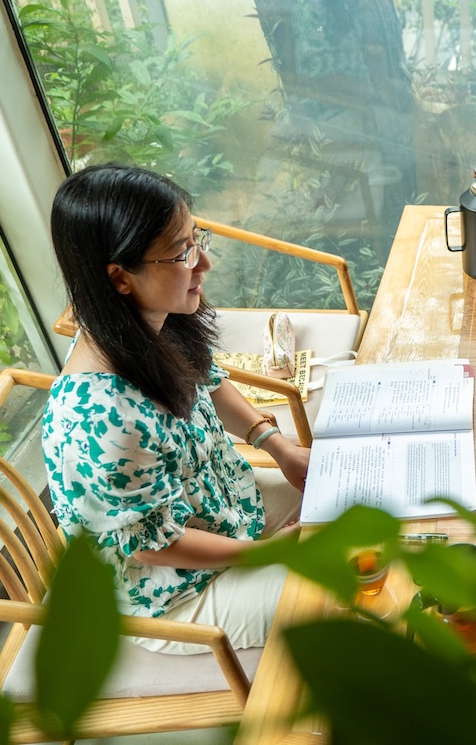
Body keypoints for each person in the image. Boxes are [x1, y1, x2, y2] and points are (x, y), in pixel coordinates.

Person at [42, 163, 310, 654]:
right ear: (120, 277)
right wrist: (262, 555)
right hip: (176, 594)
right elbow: (154, 544)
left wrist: (279, 447)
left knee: (358, 505)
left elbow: (209, 382)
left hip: (228, 507)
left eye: (196, 238)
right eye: (183, 252)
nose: (204, 263)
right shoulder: (105, 420)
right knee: (341, 585)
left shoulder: (146, 323)